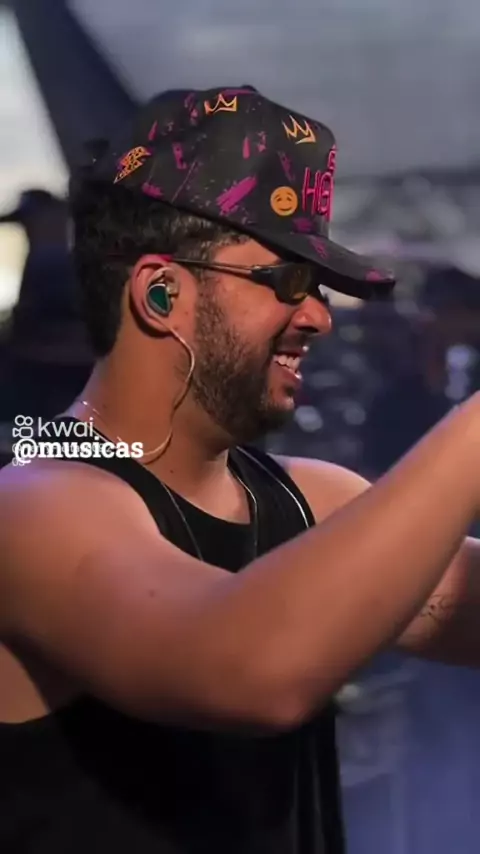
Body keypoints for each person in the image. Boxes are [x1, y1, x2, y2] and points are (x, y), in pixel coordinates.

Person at [1, 85, 480, 854]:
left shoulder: (309, 499)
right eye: (287, 280)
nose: (318, 315)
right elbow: (252, 672)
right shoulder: (32, 507)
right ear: (162, 292)